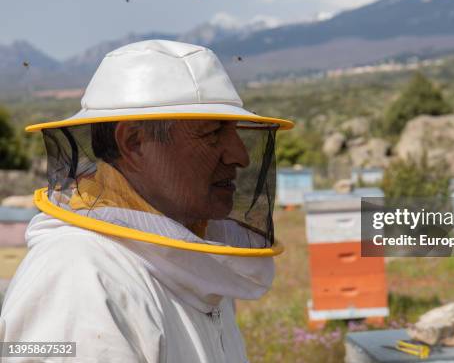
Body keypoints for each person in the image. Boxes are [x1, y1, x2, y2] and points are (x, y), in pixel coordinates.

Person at [0, 40, 293, 362]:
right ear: (135, 142)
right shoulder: (77, 278)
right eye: (212, 134)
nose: (240, 155)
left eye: (235, 132)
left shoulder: (192, 259)